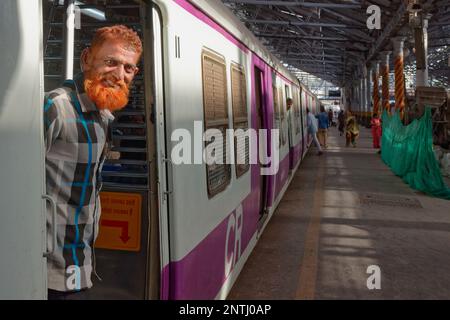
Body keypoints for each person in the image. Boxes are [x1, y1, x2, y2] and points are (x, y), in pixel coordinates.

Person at [43, 25, 142, 299]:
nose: (119, 75)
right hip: (48, 271)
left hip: (78, 262)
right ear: (86, 59)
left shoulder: (103, 117)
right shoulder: (56, 108)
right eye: (110, 62)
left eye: (128, 68)